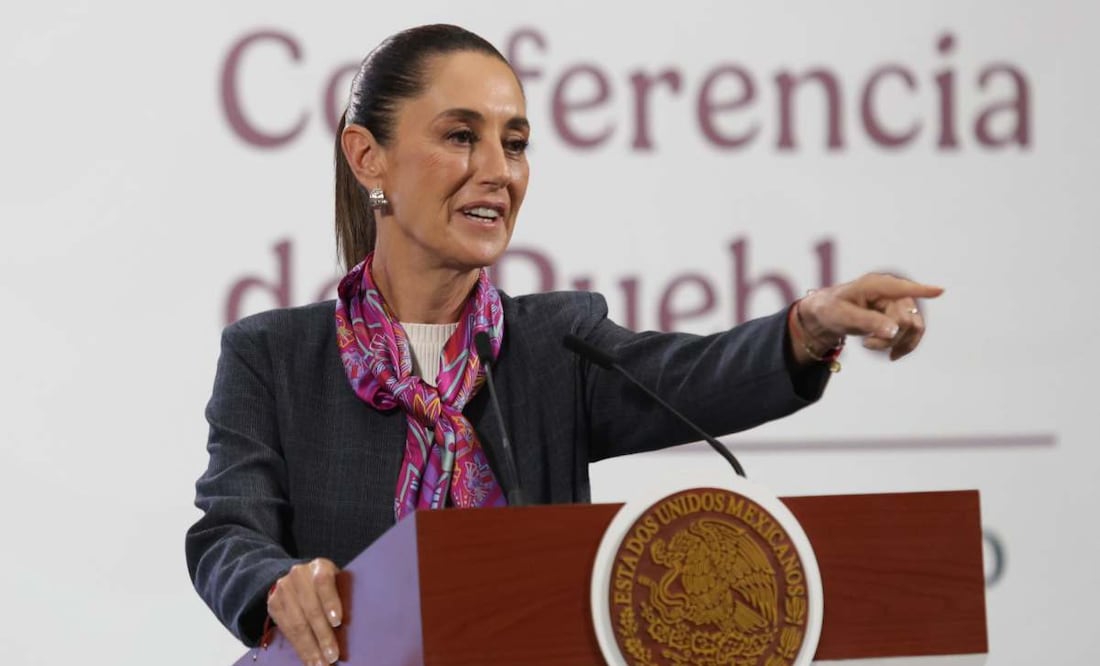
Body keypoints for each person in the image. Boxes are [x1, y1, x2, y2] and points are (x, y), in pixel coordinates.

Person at [186, 24, 943, 666]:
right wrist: (277, 583)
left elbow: (694, 377)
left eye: (514, 143)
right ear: (367, 157)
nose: (498, 172)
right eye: (460, 136)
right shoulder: (272, 356)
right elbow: (230, 531)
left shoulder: (555, 344)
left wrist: (805, 329)